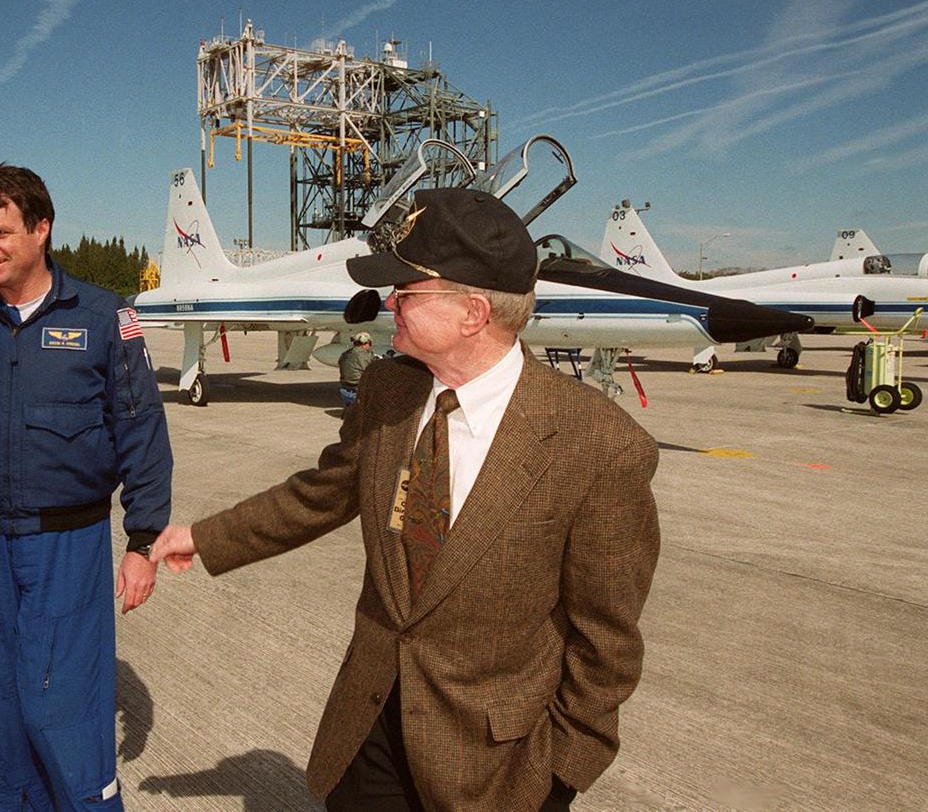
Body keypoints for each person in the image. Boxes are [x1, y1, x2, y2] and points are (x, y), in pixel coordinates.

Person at [150, 188, 660, 811]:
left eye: (408, 292)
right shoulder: (389, 390)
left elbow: (606, 642)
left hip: (496, 765)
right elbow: (322, 494)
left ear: (473, 312)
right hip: (371, 729)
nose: (390, 303)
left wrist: (561, 776)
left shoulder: (599, 445)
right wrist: (202, 537)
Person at [0, 164, 171, 811]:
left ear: (41, 228)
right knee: (0, 706)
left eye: (0, 230)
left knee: (66, 710)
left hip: (67, 547)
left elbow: (142, 436)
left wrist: (143, 539)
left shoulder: (105, 318)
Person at [337, 330, 376, 406]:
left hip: (345, 393)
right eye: (369, 344)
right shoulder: (366, 356)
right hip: (359, 393)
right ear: (365, 344)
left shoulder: (345, 354)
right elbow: (374, 369)